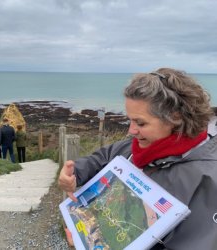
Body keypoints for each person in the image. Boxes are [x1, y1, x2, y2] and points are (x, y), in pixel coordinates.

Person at [58, 68, 217, 250]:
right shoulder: (139, 146)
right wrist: (75, 173)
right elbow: (104, 157)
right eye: (130, 121)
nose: (131, 131)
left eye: (140, 123)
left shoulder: (208, 179)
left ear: (175, 117)